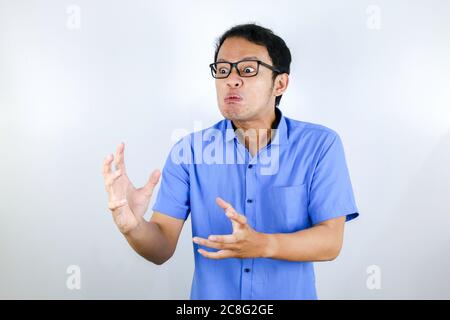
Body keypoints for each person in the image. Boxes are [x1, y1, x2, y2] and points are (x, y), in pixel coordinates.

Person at [102, 23, 359, 300]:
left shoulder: (320, 145)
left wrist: (262, 244)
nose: (231, 80)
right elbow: (161, 248)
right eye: (223, 70)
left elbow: (330, 242)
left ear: (280, 83)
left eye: (248, 70)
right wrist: (133, 227)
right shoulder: (189, 151)